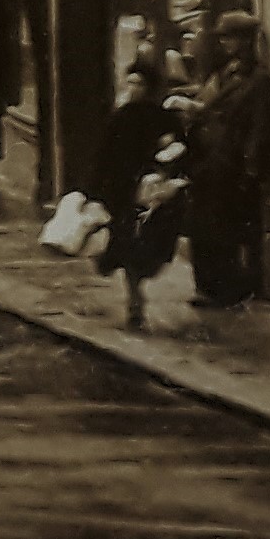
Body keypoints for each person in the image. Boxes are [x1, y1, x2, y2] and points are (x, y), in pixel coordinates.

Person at [91, 48, 190, 332]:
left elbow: (177, 149)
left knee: (150, 246)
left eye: (139, 84)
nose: (133, 89)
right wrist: (94, 190)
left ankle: (137, 286)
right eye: (130, 83)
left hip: (153, 192)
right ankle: (134, 298)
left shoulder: (162, 118)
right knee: (126, 246)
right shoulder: (120, 117)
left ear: (149, 88)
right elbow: (103, 155)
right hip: (123, 192)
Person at [188, 12, 270, 309]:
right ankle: (210, 288)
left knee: (230, 229)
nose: (226, 44)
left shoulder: (259, 80)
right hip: (211, 160)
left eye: (231, 38)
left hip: (234, 164)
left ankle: (231, 290)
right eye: (223, 38)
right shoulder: (225, 73)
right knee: (207, 226)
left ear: (247, 41)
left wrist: (251, 169)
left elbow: (259, 127)